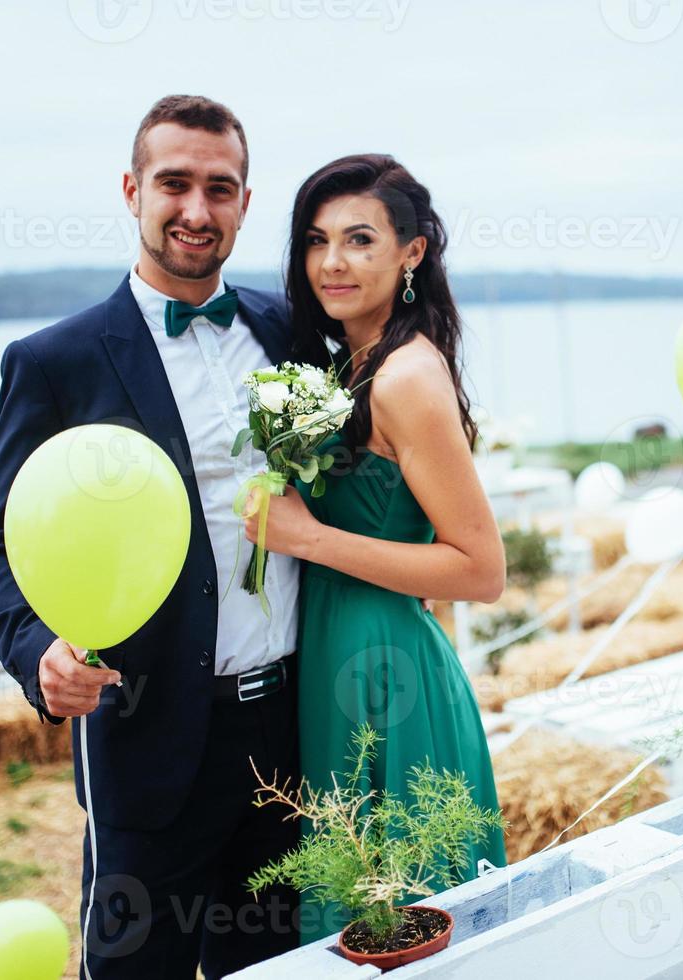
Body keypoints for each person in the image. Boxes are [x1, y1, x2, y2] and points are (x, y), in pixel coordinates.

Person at [0, 94, 302, 978]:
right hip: (149, 741)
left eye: (219, 188)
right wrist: (36, 650)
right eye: (175, 183)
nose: (197, 210)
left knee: (277, 968)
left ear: (244, 201)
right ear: (131, 189)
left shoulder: (290, 332)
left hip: (292, 733)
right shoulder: (56, 362)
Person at [242, 153, 509, 941]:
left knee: (404, 915)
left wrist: (309, 536)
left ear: (412, 252)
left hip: (388, 674)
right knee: (364, 912)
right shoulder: (353, 365)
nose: (332, 262)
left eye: (360, 240)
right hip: (337, 655)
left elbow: (481, 568)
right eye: (316, 241)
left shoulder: (404, 377)